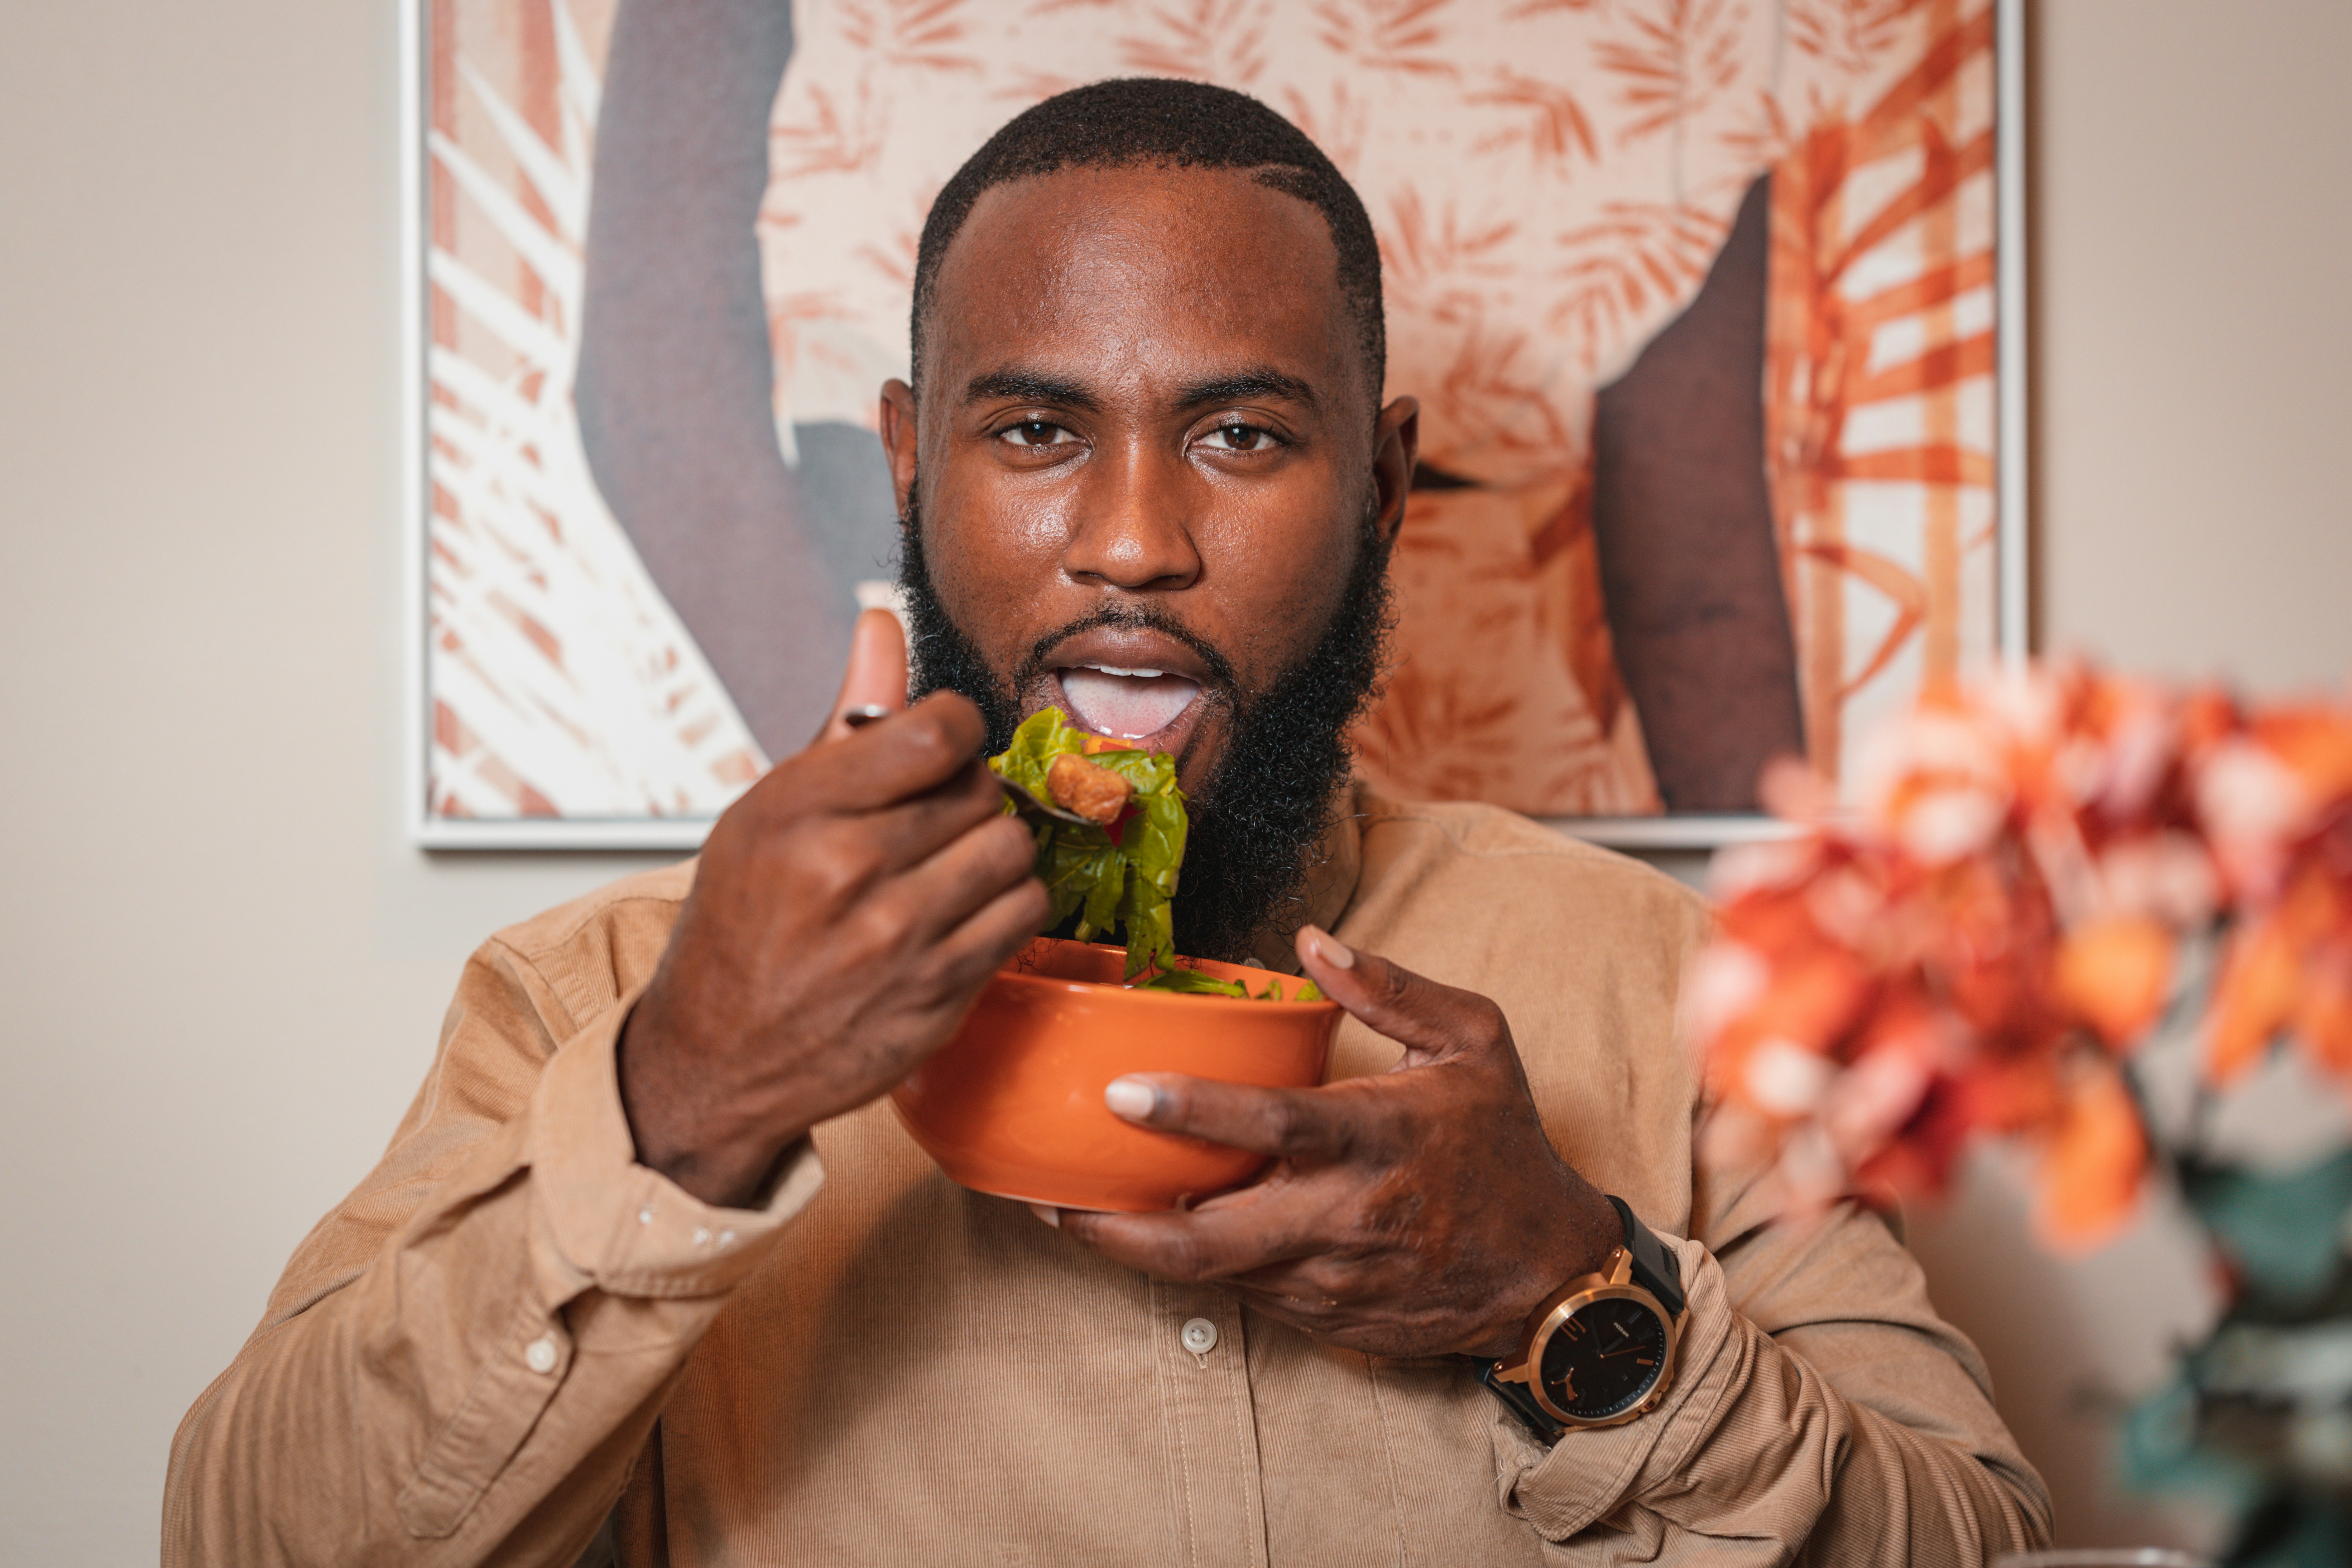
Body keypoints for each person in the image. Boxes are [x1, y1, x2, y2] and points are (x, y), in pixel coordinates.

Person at [165, 80, 2050, 1564]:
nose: (1133, 540)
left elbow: (1974, 1542)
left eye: (1240, 435)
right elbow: (246, 1550)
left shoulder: (1669, 982)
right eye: (1034, 432)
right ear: (910, 465)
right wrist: (691, 1094)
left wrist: (1566, 1290)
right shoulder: (598, 991)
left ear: (1383, 482)